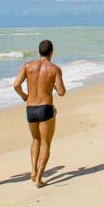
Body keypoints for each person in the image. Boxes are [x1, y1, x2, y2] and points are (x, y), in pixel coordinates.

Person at [13, 39, 66, 187]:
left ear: (39, 51)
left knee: (35, 140)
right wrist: (54, 87)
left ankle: (33, 171)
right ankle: (39, 179)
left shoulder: (27, 66)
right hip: (45, 108)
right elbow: (61, 92)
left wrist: (24, 96)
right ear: (52, 52)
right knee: (46, 144)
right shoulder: (54, 69)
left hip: (30, 108)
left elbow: (16, 84)